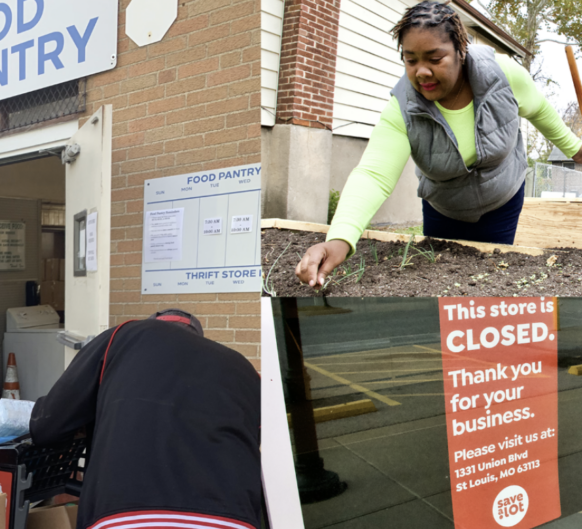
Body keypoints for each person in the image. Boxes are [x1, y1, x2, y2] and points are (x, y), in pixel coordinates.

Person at [295, 1, 582, 288]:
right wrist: (339, 238)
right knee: (441, 280)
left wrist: (577, 151)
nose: (421, 72)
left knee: (492, 279)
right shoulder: (403, 108)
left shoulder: (503, 76)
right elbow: (373, 174)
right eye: (411, 60)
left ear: (461, 50)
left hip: (501, 199)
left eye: (434, 59)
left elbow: (540, 111)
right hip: (445, 206)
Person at [30, 309, 261, 529]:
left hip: (127, 516)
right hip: (233, 518)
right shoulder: (243, 367)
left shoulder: (122, 336)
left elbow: (48, 424)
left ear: (152, 324)